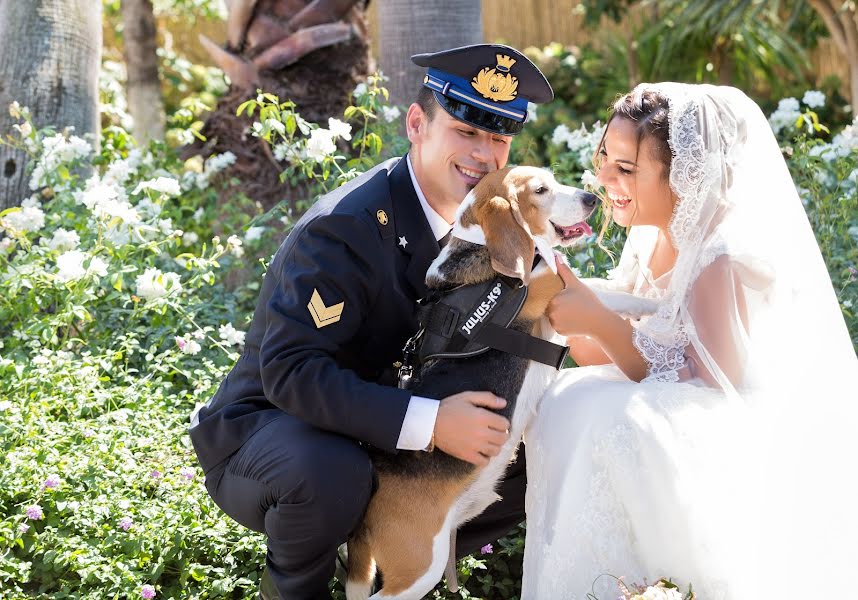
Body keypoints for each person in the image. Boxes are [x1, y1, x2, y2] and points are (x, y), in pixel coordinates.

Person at [188, 44, 553, 600]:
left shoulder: (485, 227)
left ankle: (400, 573)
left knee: (536, 451)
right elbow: (290, 374)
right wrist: (430, 422)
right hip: (270, 435)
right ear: (416, 124)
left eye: (498, 138)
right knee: (331, 472)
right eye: (466, 132)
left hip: (381, 434)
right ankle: (298, 588)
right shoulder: (347, 227)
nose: (484, 155)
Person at [522, 83, 858, 599]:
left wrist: (599, 320)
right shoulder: (653, 235)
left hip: (719, 434)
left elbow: (708, 381)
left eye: (626, 169)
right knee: (570, 400)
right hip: (655, 401)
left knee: (613, 419)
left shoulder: (719, 255)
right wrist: (568, 313)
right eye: (604, 160)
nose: (605, 179)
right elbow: (604, 354)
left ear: (683, 173)